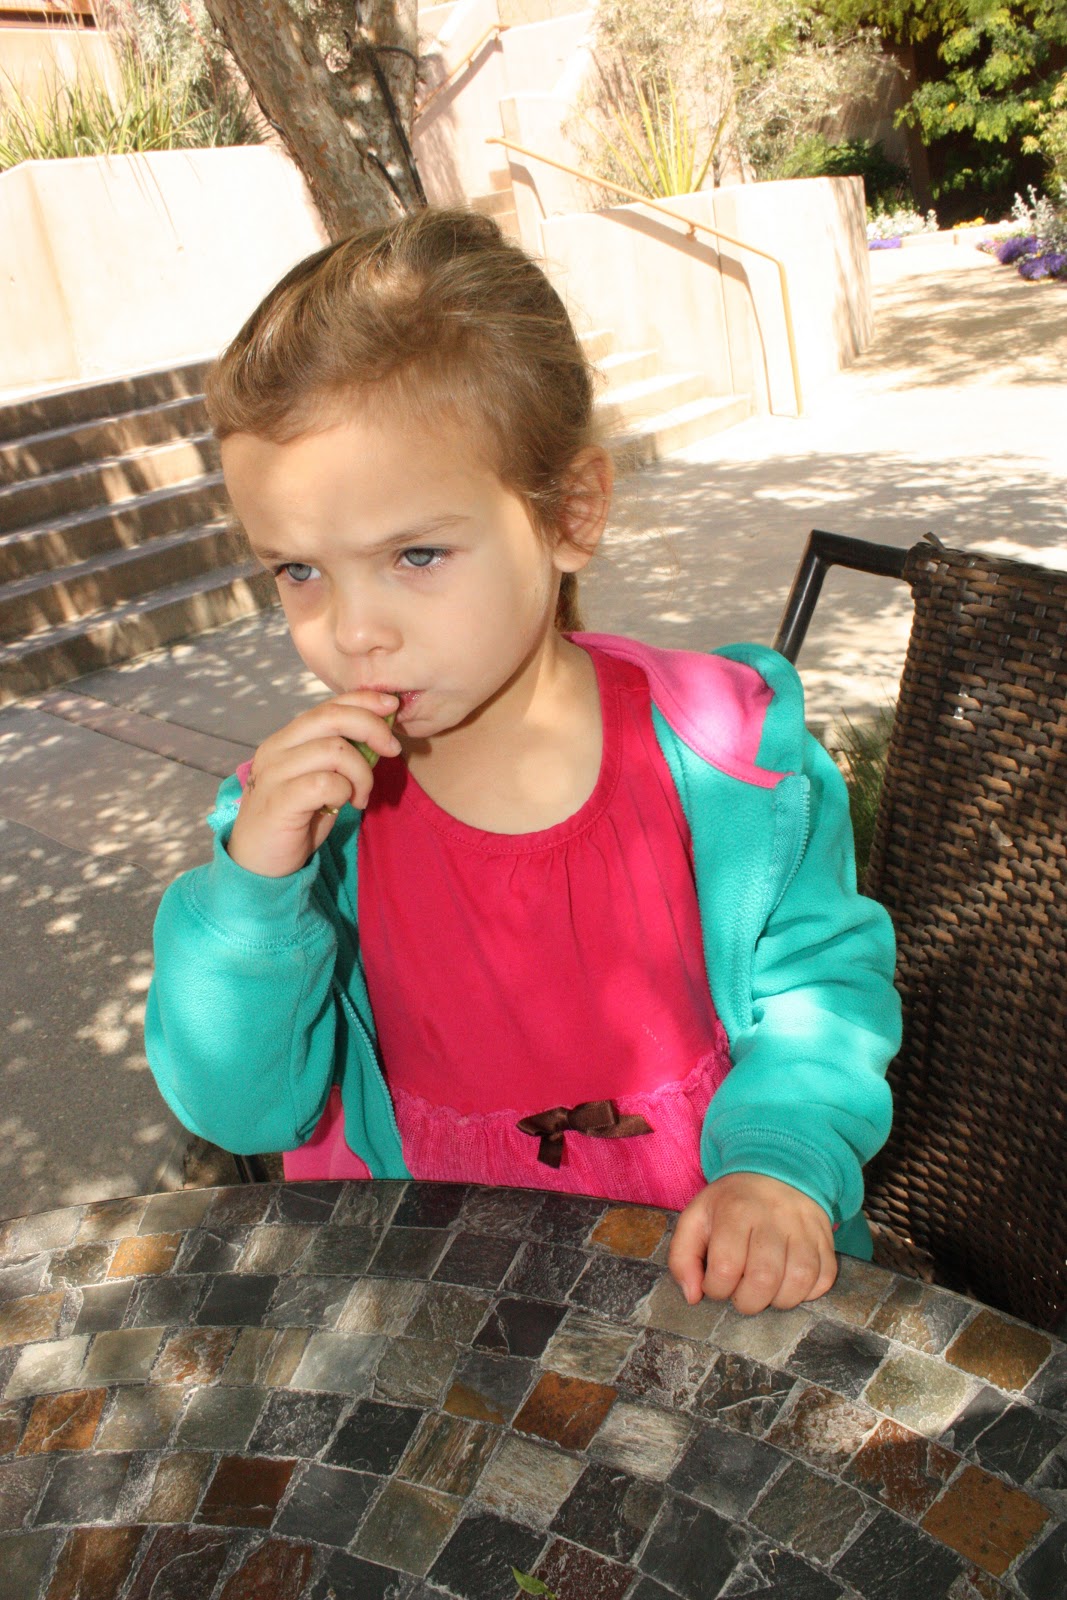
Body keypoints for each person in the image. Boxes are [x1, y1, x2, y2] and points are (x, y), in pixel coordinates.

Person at [145, 208, 900, 1317]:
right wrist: (253, 895)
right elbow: (244, 1111)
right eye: (298, 571)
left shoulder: (726, 756)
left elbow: (818, 994)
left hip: (715, 1285)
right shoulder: (302, 826)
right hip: (441, 1304)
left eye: (415, 554)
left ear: (568, 514)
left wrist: (779, 1165)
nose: (352, 630)